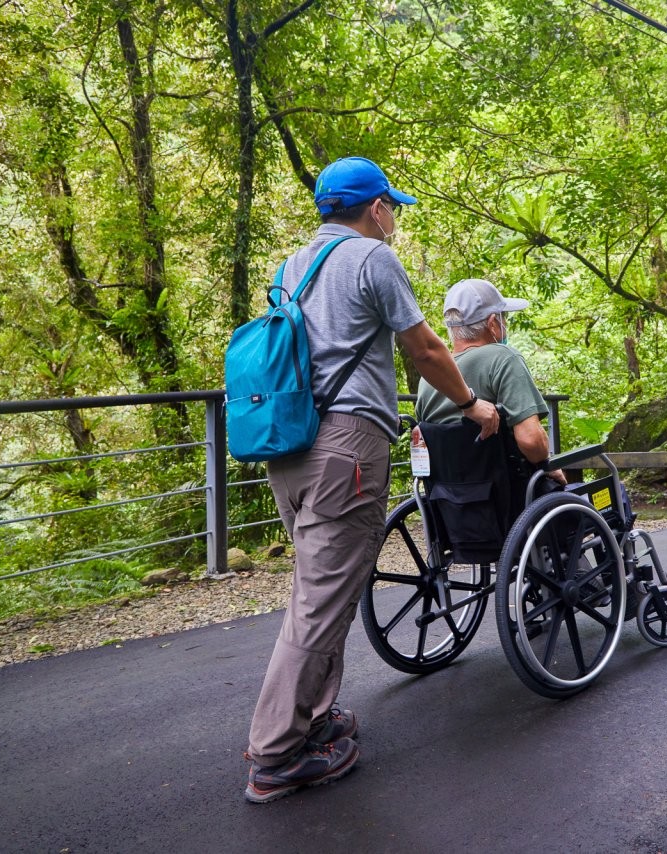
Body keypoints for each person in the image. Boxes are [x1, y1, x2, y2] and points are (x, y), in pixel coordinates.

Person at [243, 157, 500, 804]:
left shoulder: (291, 266)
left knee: (320, 587)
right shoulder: (370, 258)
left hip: (289, 447)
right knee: (319, 599)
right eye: (394, 206)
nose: (396, 218)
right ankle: (276, 754)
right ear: (373, 207)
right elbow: (426, 350)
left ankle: (312, 722)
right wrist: (472, 404)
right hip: (346, 446)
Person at [415, 278, 566, 486]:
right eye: (505, 319)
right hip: (510, 500)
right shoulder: (504, 359)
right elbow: (532, 442)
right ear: (493, 323)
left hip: (451, 506)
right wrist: (549, 464)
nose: (505, 325)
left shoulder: (430, 379)